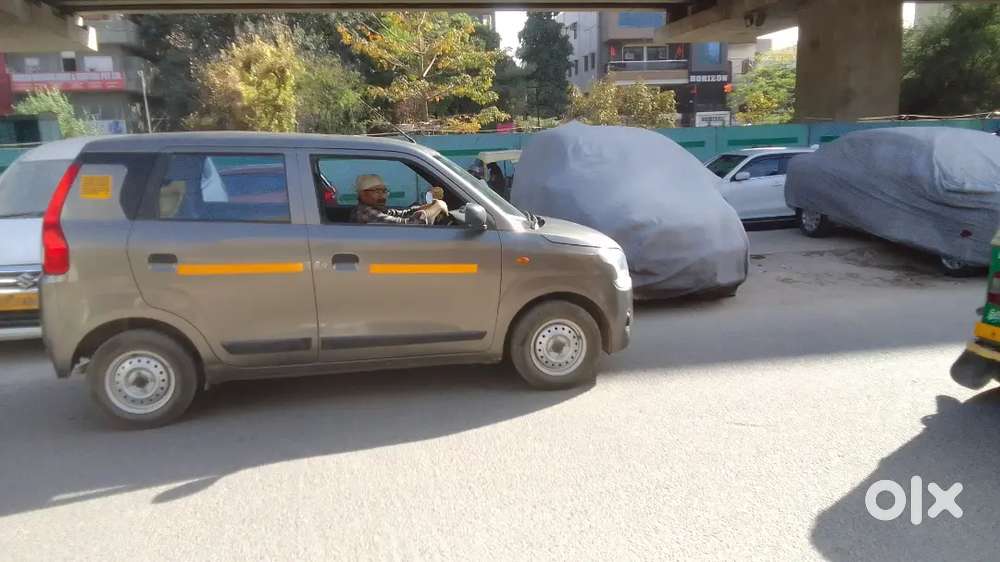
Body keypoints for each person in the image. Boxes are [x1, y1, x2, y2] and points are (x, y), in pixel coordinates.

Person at [351, 174, 447, 225]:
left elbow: (399, 213)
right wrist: (437, 206)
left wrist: (427, 206)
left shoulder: (374, 208)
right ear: (363, 194)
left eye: (384, 191)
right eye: (377, 191)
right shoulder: (366, 213)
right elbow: (411, 226)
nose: (382, 196)